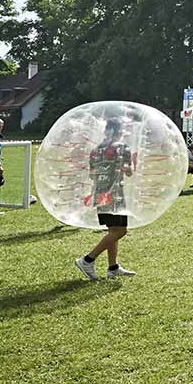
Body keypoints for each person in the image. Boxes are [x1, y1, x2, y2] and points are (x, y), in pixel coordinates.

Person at [75, 117, 138, 280]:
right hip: (115, 194)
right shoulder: (123, 147)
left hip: (100, 193)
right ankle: (87, 260)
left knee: (113, 230)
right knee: (121, 230)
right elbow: (129, 171)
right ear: (119, 131)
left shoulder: (96, 149)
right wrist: (124, 168)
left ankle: (113, 267)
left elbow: (91, 174)